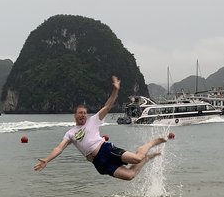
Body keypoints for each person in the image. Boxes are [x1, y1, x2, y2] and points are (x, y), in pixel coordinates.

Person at [34, 76, 167, 181]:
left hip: (106, 150)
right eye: (80, 113)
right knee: (130, 175)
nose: (83, 115)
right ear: (75, 115)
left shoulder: (93, 120)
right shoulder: (70, 133)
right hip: (99, 163)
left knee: (137, 159)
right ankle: (147, 158)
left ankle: (151, 143)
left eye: (85, 113)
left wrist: (115, 90)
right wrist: (47, 159)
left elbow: (108, 106)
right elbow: (59, 148)